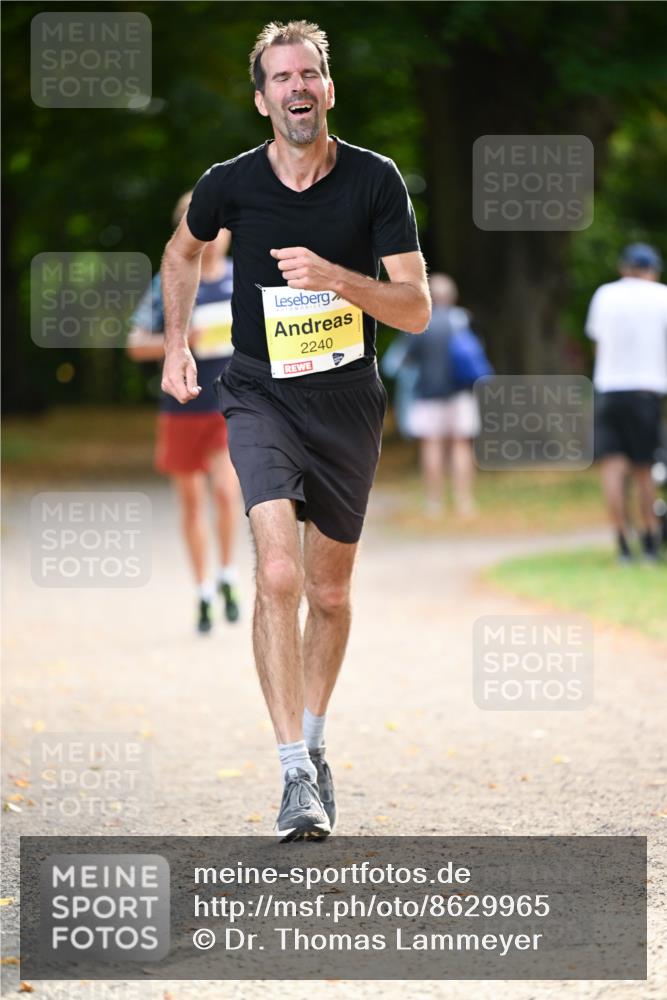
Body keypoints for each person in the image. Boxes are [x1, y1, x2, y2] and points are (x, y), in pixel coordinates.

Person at [160, 20, 430, 840]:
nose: (297, 87)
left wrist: (337, 279)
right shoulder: (228, 183)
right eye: (281, 77)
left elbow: (414, 309)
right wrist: (176, 344)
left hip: (346, 401)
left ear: (329, 87)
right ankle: (290, 777)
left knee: (329, 591)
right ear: (261, 97)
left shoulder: (376, 182)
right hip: (258, 395)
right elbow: (182, 254)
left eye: (309, 73)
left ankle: (313, 745)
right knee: (277, 573)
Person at [127, 193, 242, 632]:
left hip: (230, 407)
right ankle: (202, 591)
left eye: (220, 227)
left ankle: (228, 573)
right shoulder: (168, 282)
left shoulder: (244, 277)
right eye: (202, 227)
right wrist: (178, 341)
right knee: (192, 502)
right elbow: (135, 345)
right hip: (181, 408)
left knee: (227, 494)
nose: (212, 238)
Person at [585, 242, 667, 563]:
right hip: (645, 393)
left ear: (624, 268)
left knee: (612, 470)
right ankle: (649, 540)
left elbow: (597, 343)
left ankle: (621, 543)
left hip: (609, 390)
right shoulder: (661, 295)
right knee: (644, 469)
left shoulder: (605, 294)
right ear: (653, 269)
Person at [403, 273, 481, 517]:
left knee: (432, 446)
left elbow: (408, 359)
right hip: (460, 392)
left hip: (428, 393)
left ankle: (434, 503)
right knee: (461, 445)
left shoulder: (420, 322)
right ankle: (464, 501)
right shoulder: (462, 319)